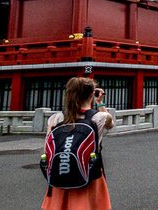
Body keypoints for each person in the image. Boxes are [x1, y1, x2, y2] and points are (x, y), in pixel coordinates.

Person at [42, 77, 114, 210]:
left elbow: (47, 149)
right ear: (92, 94)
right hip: (89, 176)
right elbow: (110, 125)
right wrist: (99, 103)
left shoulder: (56, 119)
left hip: (59, 177)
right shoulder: (99, 117)